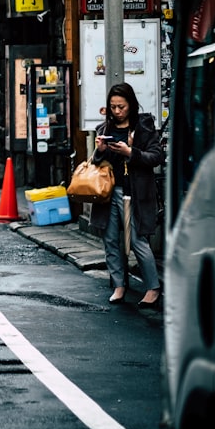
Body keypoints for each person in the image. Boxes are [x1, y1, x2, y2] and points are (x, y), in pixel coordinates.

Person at [88, 82, 164, 308]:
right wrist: (100, 151)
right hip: (109, 192)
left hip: (136, 192)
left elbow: (156, 157)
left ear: (131, 104)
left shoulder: (144, 126)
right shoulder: (104, 129)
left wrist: (131, 152)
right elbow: (95, 163)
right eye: (113, 107)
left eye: (121, 106)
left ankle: (153, 287)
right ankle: (119, 285)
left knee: (138, 240)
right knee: (110, 240)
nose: (117, 111)